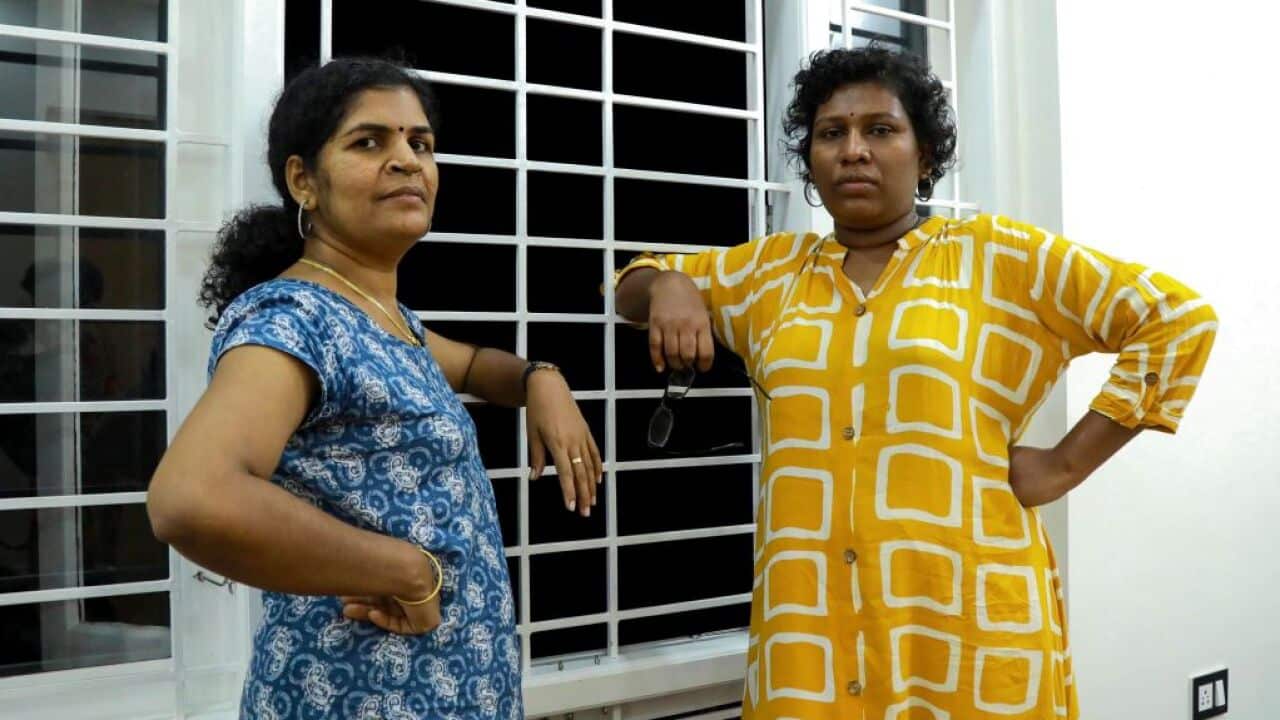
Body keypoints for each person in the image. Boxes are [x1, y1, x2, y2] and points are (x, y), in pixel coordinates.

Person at [613, 46, 1216, 719]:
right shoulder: (769, 276)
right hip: (811, 633)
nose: (853, 150)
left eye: (880, 129)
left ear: (925, 154)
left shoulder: (998, 259)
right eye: (831, 133)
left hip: (966, 626)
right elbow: (629, 286)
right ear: (810, 160)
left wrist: (1061, 466)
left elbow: (1177, 319)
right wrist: (669, 283)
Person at [147, 57, 602, 720]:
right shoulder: (296, 318)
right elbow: (192, 498)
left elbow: (475, 366)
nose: (407, 160)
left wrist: (541, 380)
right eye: (369, 142)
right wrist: (406, 572)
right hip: (359, 696)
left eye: (420, 143)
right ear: (304, 181)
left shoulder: (386, 320)